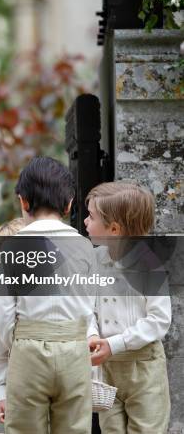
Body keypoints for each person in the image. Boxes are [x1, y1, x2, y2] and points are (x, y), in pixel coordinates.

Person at [0, 156, 96, 433]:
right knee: (75, 426)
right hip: (74, 346)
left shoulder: (13, 246)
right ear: (69, 204)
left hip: (28, 349)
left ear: (22, 201)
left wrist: (20, 339)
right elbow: (88, 304)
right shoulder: (84, 247)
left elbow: (1, 310)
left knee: (24, 428)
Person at [85, 182, 171, 433]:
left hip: (144, 367)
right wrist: (91, 334)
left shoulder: (150, 266)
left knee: (147, 428)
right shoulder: (93, 260)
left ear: (114, 228)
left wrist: (115, 344)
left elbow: (159, 320)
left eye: (91, 217)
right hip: (107, 369)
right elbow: (85, 306)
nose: (85, 223)